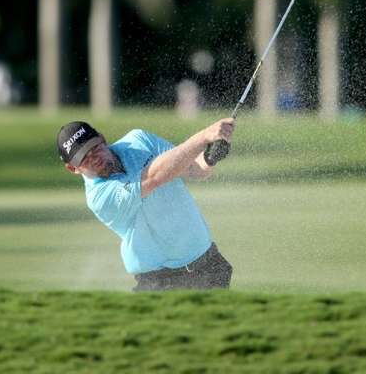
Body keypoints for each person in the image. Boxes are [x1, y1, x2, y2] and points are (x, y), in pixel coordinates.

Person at [56, 117, 235, 291]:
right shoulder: (99, 197)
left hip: (209, 264)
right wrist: (204, 137)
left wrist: (210, 158)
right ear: (73, 168)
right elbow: (153, 177)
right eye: (84, 158)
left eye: (94, 148)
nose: (94, 158)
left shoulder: (138, 140)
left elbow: (193, 168)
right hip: (161, 281)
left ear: (102, 139)